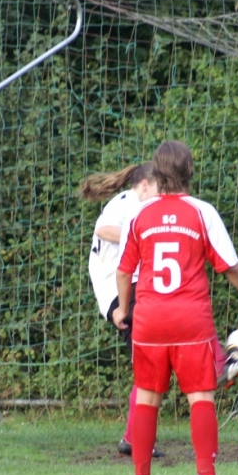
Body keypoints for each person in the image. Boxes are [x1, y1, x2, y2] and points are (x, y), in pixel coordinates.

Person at [114, 140, 238, 475]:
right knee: (201, 397)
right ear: (189, 171)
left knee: (148, 397)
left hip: (149, 321)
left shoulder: (139, 215)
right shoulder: (202, 212)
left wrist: (123, 308)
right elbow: (230, 266)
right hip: (190, 320)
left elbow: (123, 271)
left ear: (157, 173)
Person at [81, 162, 165, 458]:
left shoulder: (139, 207)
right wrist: (142, 237)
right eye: (158, 188)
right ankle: (138, 438)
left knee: (153, 361)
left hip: (130, 287)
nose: (161, 195)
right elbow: (102, 229)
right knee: (151, 363)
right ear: (144, 185)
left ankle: (134, 438)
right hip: (118, 290)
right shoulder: (127, 203)